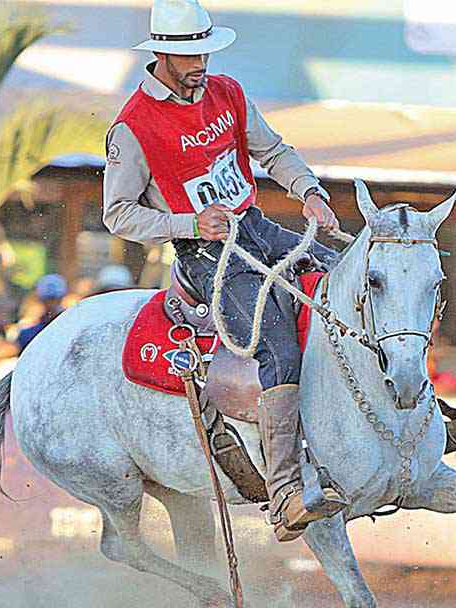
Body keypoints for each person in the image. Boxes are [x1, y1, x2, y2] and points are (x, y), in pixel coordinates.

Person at [101, 0, 345, 540]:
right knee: (277, 344)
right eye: (189, 54)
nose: (200, 63)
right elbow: (117, 214)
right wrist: (189, 223)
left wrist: (309, 192)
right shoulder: (132, 127)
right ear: (161, 53)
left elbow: (273, 151)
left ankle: (424, 414)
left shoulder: (228, 93)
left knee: (351, 279)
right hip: (204, 254)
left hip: (254, 226)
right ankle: (284, 495)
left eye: (204, 51)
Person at [16, 274, 68, 351]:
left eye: (54, 299)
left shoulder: (70, 328)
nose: (51, 304)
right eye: (48, 299)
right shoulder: (28, 334)